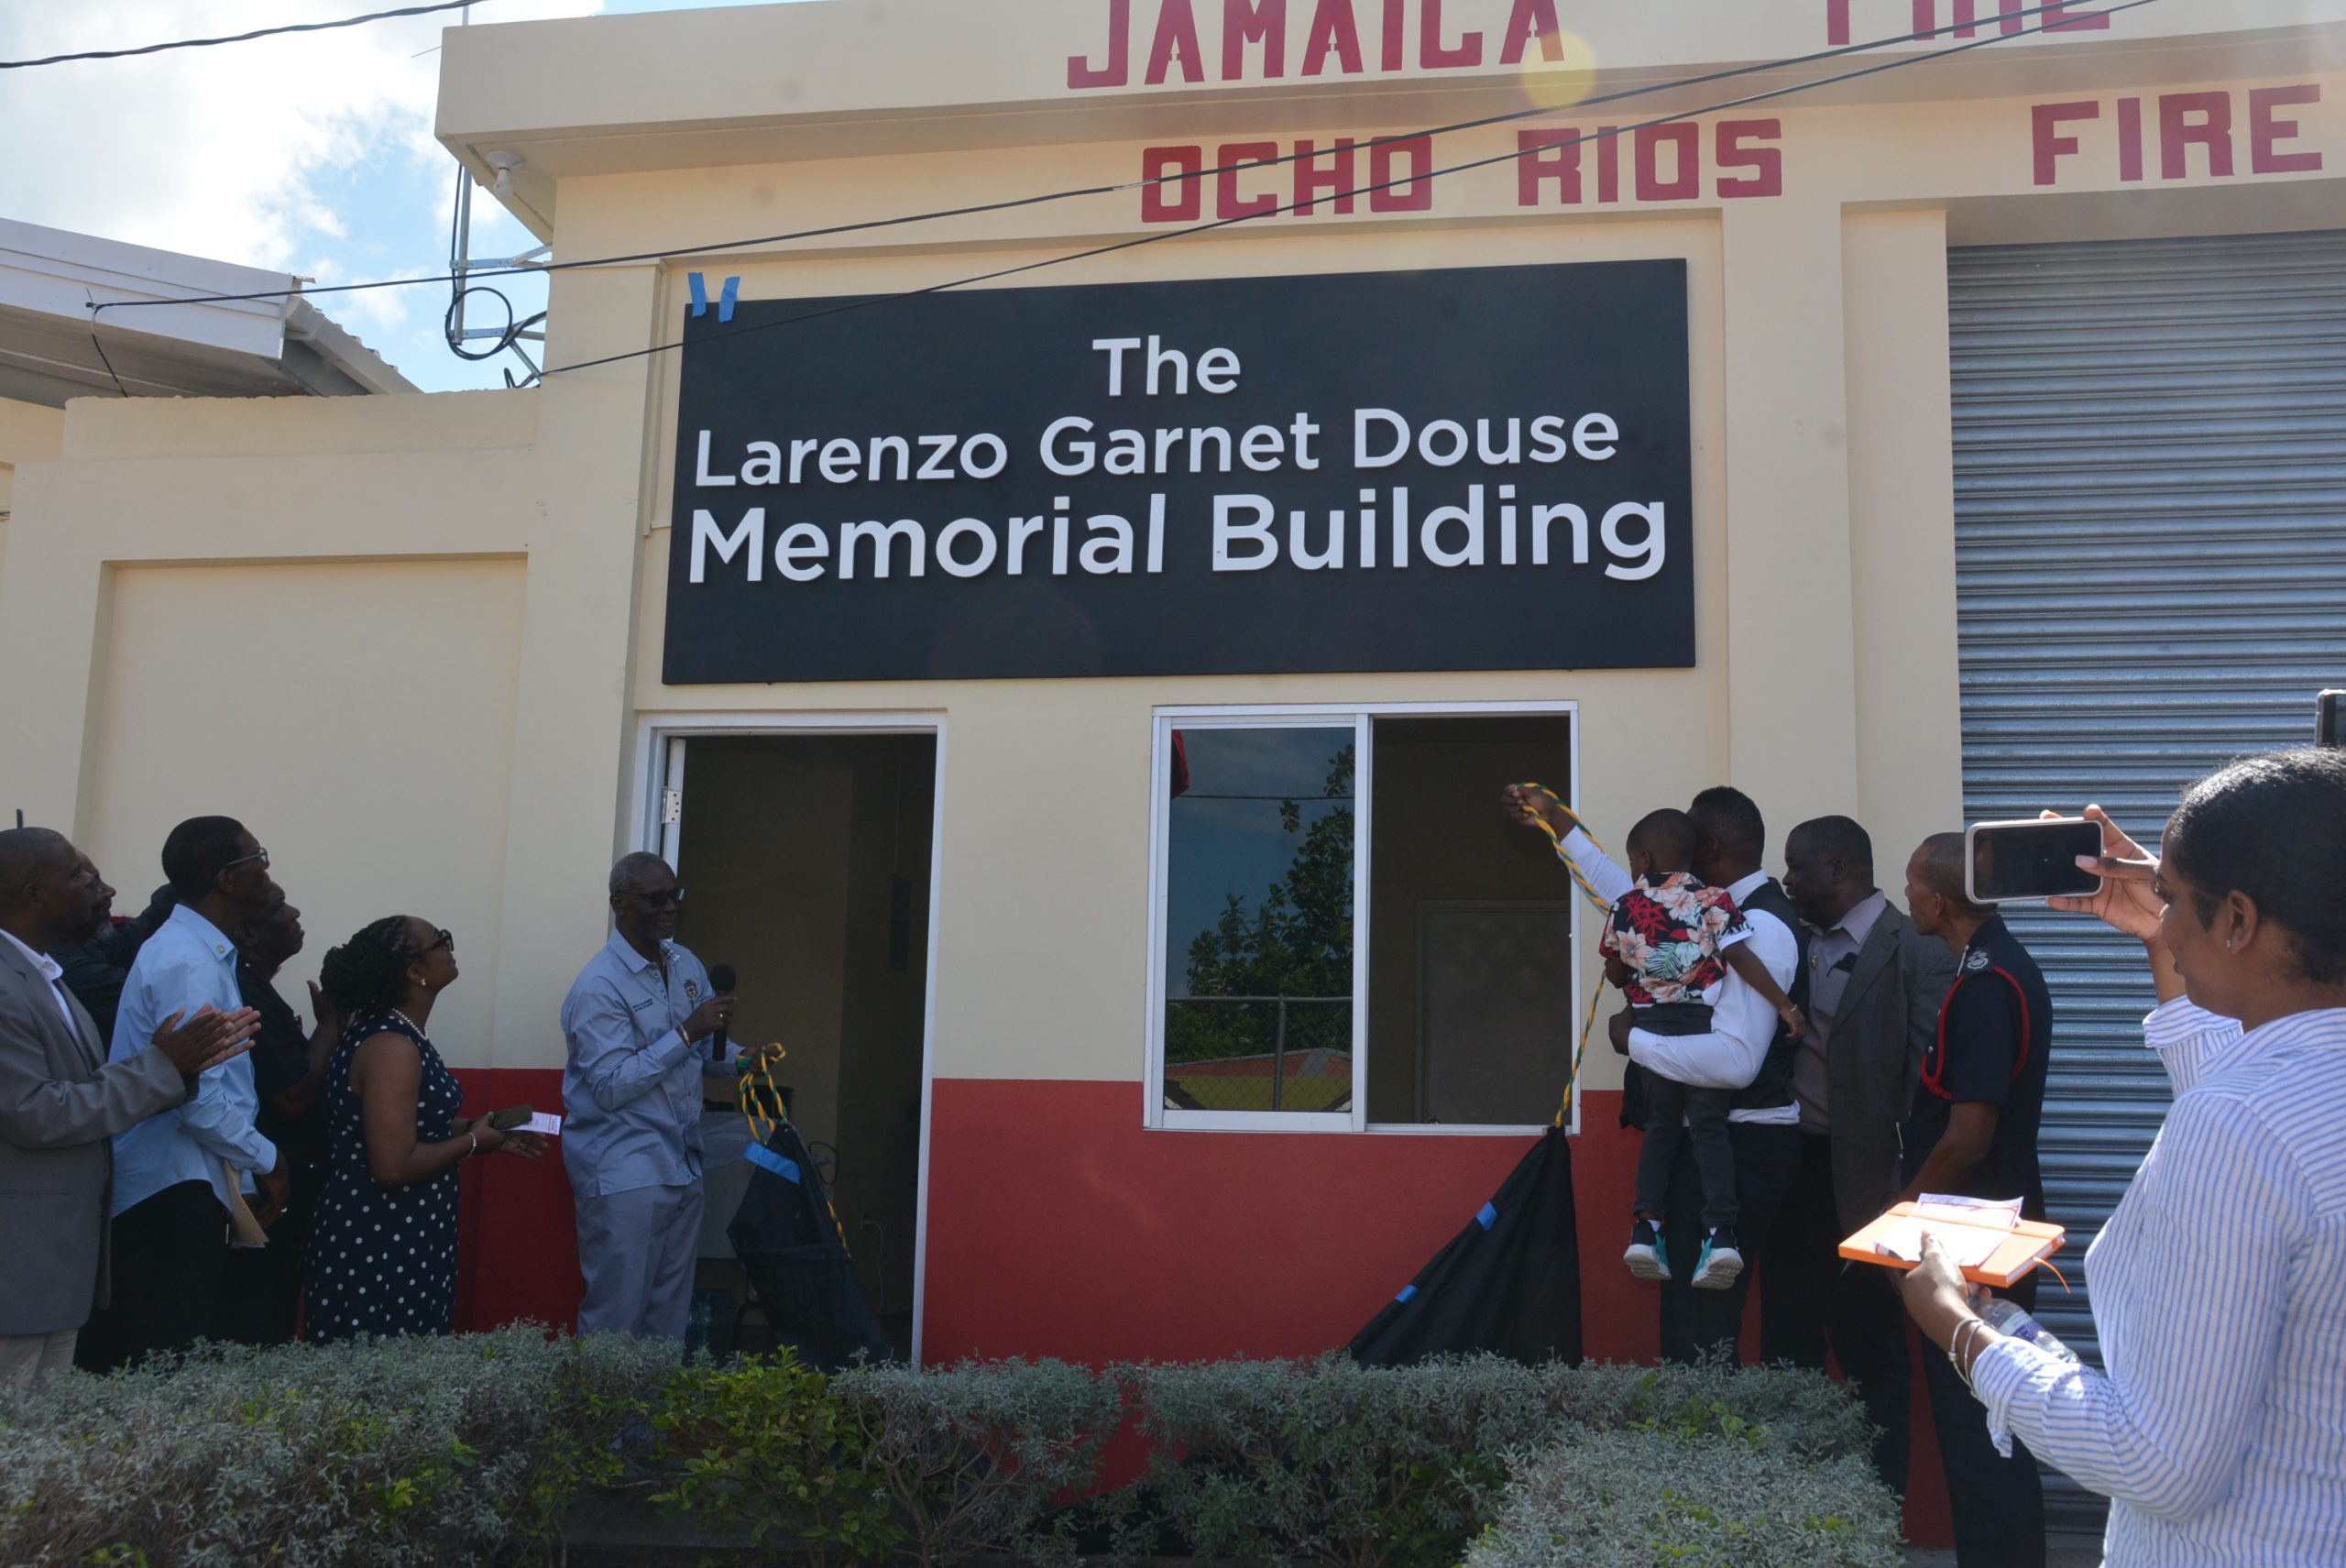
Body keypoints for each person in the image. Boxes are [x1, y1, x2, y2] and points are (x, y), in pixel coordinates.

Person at [1902, 758, 2346, 1567]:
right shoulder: (2283, 1101)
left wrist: (1966, 1331)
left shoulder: (2236, 1126)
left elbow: (2159, 1465)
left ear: (2239, 920)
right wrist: (2158, 929)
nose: (2165, 918)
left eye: (2173, 898)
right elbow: (2252, 1095)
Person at [1508, 784, 1809, 1364]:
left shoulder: (1760, 925)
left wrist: (1633, 1039)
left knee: (1702, 1334)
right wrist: (1558, 822)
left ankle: (1699, 1450)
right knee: (1689, 1324)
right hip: (1711, 1136)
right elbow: (1628, 898)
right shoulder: (1700, 903)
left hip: (1739, 1142)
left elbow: (1736, 1063)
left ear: (1709, 848)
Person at [0, 827, 257, 1390]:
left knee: (42, 1451)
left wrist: (172, 1067)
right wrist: (167, 1067)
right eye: (77, 874)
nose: (98, 885)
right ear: (33, 894)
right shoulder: (7, 983)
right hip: (20, 1268)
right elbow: (34, 1112)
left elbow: (85, 1087)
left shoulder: (48, 978)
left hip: (58, 1269)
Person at [1763, 814, 1957, 1495]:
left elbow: (1933, 1085)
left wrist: (1908, 1190)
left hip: (1873, 1187)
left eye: (1797, 866)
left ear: (1839, 869)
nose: (1785, 880)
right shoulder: (1787, 940)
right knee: (1786, 1354)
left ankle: (1879, 1516)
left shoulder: (1916, 951)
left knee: (1874, 1357)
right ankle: (1794, 1515)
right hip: (1793, 1176)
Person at [78, 817, 287, 1372]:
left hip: (187, 1185)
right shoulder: (188, 961)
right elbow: (196, 1096)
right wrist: (269, 1159)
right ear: (226, 878)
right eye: (256, 855)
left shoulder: (197, 950)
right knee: (162, 1368)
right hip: (169, 1192)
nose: (267, 866)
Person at [1897, 831, 2052, 1568]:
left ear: (1936, 900)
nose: (1905, 896)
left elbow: (1969, 1136)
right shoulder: (1986, 966)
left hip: (1976, 1234)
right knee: (1982, 1418)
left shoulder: (1990, 985)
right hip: (1980, 1223)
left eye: (1910, 885)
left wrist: (1904, 1213)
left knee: (1982, 1422)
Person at [306, 916, 541, 1341]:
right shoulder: (391, 1047)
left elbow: (407, 1125)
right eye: (442, 941)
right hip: (381, 1236)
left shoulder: (398, 1036)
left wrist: (477, 1129)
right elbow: (392, 1165)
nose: (451, 947)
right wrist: (472, 1142)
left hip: (404, 1230)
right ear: (414, 972)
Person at [1601, 808, 1806, 1289]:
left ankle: (1646, 1228)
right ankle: (1721, 1234)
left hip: (1651, 1028)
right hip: (1698, 1028)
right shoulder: (1716, 901)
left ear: (1645, 857)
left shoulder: (1625, 906)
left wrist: (1636, 967)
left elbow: (1614, 973)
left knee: (1662, 1129)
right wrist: (1784, 1006)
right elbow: (1740, 956)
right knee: (1709, 1128)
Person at [562, 852, 734, 1341]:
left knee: (668, 1320)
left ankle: (650, 1422)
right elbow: (611, 1085)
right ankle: (602, 1423)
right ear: (619, 903)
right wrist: (686, 1032)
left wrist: (742, 1061)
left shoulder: (684, 962)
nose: (670, 907)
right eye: (655, 898)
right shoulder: (599, 985)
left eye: (675, 895)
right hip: (624, 1170)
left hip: (681, 1160)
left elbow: (698, 1050)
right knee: (616, 1320)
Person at [214, 893, 340, 1345]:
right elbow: (291, 1098)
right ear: (248, 934)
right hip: (266, 1189)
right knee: (257, 1321)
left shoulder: (257, 987)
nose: (296, 913)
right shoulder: (245, 992)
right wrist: (328, 1027)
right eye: (280, 907)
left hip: (284, 1188)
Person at [49, 859, 172, 1047]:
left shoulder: (85, 942)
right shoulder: (60, 966)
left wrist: (184, 882)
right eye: (93, 885)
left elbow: (128, 942)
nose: (109, 891)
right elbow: (151, 995)